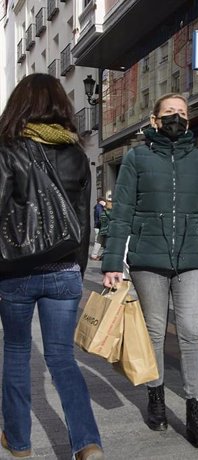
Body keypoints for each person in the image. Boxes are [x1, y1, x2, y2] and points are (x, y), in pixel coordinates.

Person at [101, 93, 198, 448]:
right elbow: (122, 213)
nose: (177, 118)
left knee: (190, 330)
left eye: (182, 113)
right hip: (148, 260)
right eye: (170, 113)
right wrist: (113, 261)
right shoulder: (136, 158)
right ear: (155, 120)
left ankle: (195, 410)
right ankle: (155, 395)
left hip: (191, 259)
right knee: (155, 331)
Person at [0, 74, 103, 459]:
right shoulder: (76, 153)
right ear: (60, 104)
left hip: (14, 271)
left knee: (15, 350)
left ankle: (20, 443)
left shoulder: (6, 149)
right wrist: (75, 270)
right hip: (63, 271)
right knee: (61, 357)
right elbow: (82, 221)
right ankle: (87, 443)